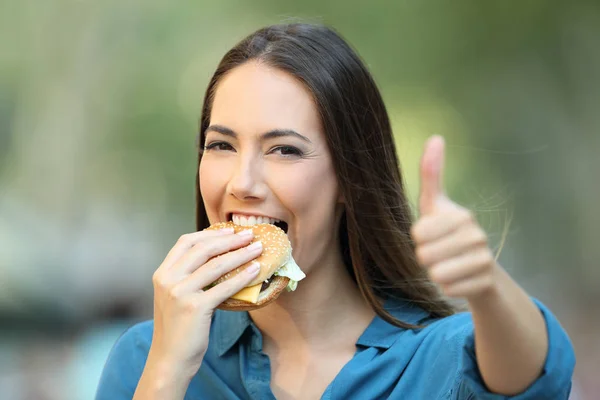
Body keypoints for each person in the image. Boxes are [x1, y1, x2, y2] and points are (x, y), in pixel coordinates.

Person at [95, 23, 575, 400]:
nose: (241, 183)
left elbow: (538, 379)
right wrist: (168, 372)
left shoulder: (441, 358)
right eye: (221, 144)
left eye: (283, 150)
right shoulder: (146, 357)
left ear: (350, 176)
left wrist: (486, 285)